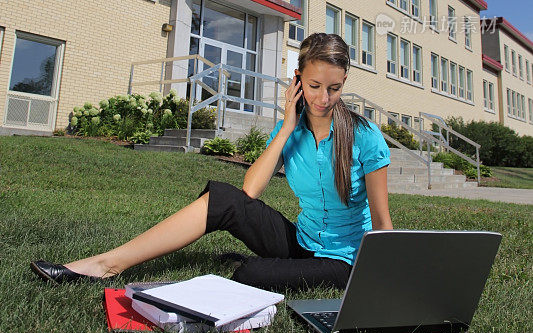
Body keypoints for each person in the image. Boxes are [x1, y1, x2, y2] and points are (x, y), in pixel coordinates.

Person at [31, 32, 392, 292]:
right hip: (301, 241)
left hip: (344, 261)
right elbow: (250, 189)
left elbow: (381, 222)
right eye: (313, 86)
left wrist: (387, 281)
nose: (324, 98)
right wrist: (286, 128)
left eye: (334, 88)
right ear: (297, 80)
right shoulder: (290, 132)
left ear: (344, 83)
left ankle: (254, 269)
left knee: (251, 276)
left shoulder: (364, 137)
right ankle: (107, 264)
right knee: (224, 199)